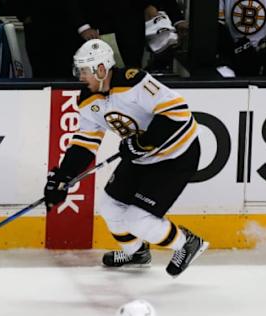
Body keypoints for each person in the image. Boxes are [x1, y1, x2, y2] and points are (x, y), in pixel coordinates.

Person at [43, 39, 209, 277]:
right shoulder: (88, 100)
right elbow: (85, 144)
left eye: (84, 70)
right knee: (110, 207)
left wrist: (142, 143)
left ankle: (187, 243)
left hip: (175, 155)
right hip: (140, 157)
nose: (80, 77)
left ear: (101, 69)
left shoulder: (134, 82)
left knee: (137, 220)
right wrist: (62, 176)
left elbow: (178, 114)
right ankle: (137, 252)